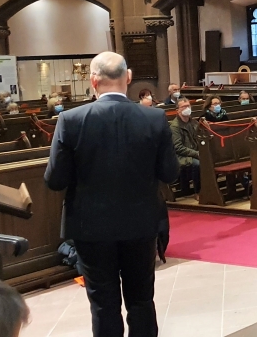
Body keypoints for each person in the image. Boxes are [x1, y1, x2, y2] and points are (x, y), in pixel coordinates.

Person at [44, 51, 179, 337]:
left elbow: (55, 180)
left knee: (103, 304)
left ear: (93, 81)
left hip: (91, 227)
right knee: (141, 300)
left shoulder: (70, 120)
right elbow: (170, 173)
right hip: (141, 223)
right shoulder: (154, 119)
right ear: (128, 78)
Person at [171, 97, 201, 200]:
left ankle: (210, 189)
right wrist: (196, 153)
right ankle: (198, 191)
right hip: (182, 156)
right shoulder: (175, 126)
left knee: (210, 160)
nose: (187, 108)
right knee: (198, 164)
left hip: (195, 152)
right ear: (177, 110)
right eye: (184, 107)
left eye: (188, 106)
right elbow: (178, 147)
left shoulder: (194, 123)